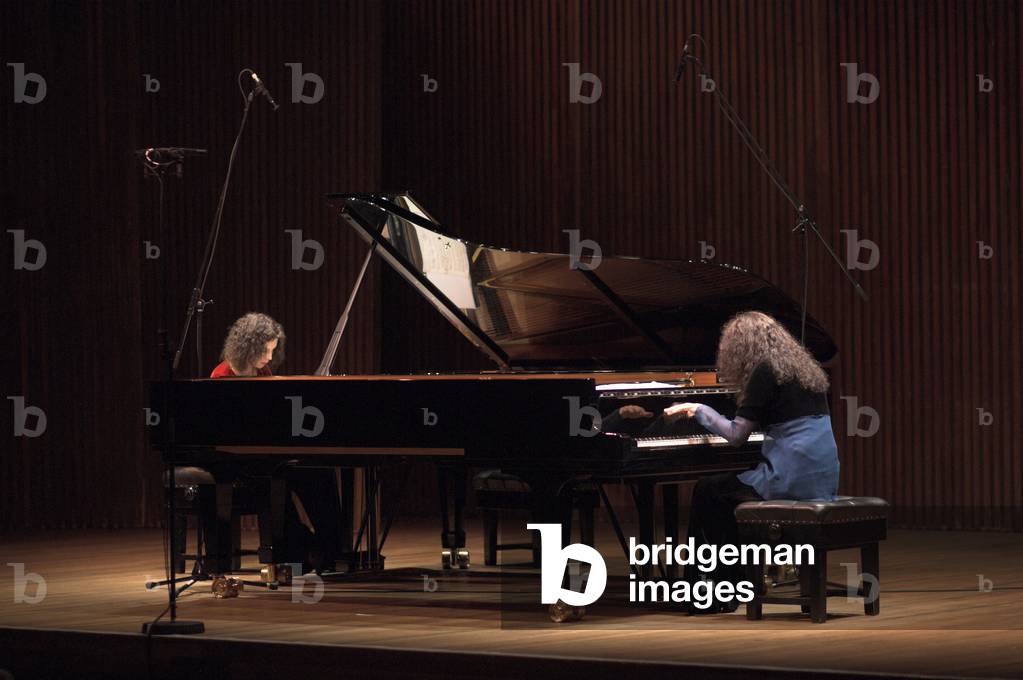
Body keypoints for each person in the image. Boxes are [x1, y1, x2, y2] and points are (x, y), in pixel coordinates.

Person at [664, 310, 840, 614]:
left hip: (789, 479)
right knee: (727, 496)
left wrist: (699, 408)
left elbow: (736, 435)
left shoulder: (764, 372)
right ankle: (732, 586)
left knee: (708, 491)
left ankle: (706, 592)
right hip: (821, 477)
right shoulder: (803, 368)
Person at [210, 312, 285, 377]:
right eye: (264, 350)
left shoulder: (263, 370)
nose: (270, 357)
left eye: (272, 350)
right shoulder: (221, 375)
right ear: (248, 347)